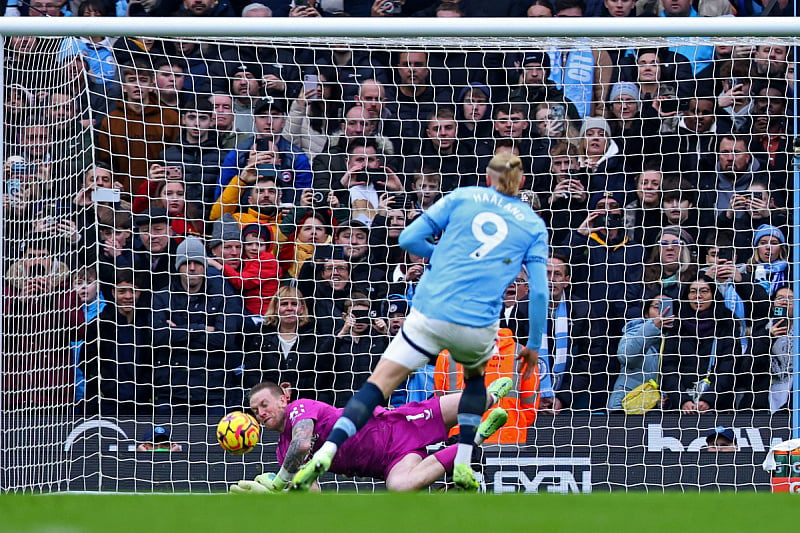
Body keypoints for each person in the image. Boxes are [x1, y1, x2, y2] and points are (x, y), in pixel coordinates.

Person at [292, 152, 548, 492]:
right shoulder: (532, 224)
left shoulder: (463, 197)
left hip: (431, 311)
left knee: (377, 385)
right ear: (522, 182)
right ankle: (463, 459)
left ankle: (328, 449)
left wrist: (442, 256)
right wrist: (531, 346)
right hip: (477, 321)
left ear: (488, 177)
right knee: (474, 385)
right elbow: (541, 293)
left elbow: (407, 240)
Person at [231, 379, 512, 493]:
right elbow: (312, 490)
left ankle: (493, 394)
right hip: (389, 462)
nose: (260, 413)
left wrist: (278, 481)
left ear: (284, 399)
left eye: (264, 405)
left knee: (477, 402)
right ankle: (472, 440)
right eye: (255, 411)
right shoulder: (284, 453)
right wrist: (279, 494)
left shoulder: (299, 409)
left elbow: (303, 443)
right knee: (399, 487)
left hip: (397, 426)